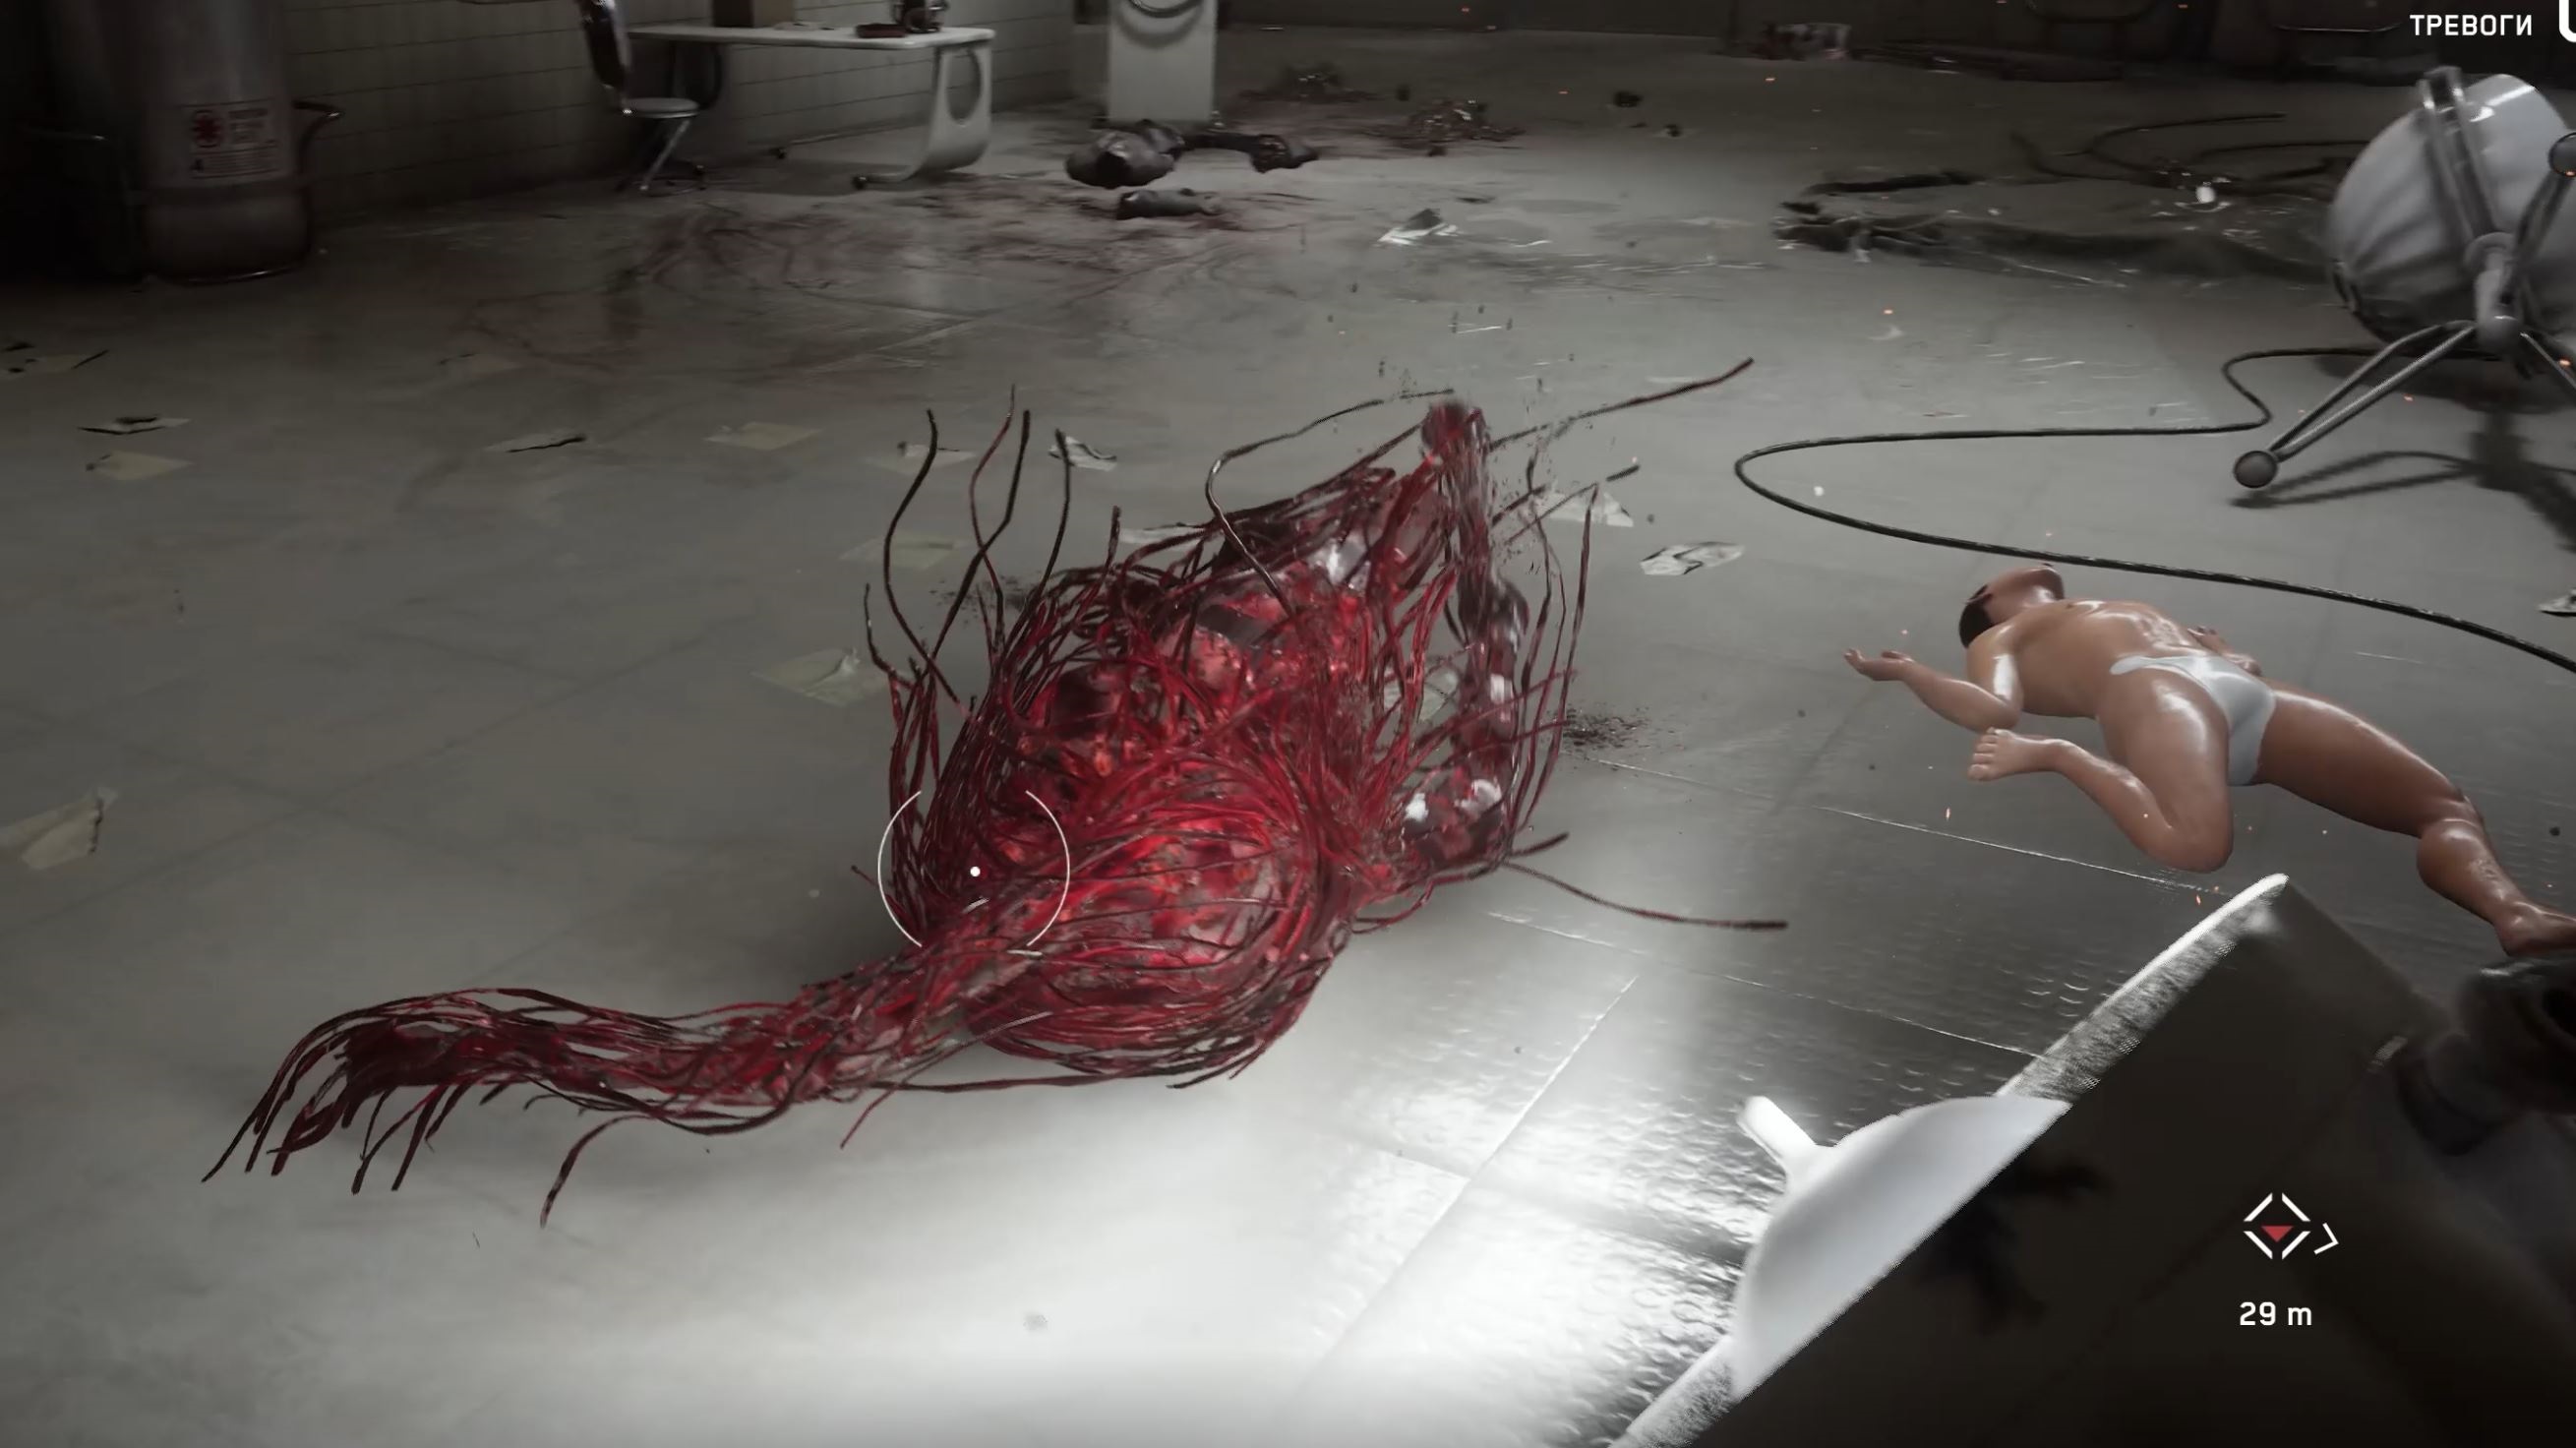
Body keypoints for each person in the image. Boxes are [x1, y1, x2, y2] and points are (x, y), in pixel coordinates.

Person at [1844, 564, 2576, 959]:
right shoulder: (1998, 637)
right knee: (2196, 845)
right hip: (2149, 691)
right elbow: (1992, 709)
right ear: (1987, 599)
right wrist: (1910, 673)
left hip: (2236, 687)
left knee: (2443, 805)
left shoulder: (2104, 606)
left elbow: (2242, 665)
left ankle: (2512, 912)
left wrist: (2226, 654)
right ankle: (2062, 757)